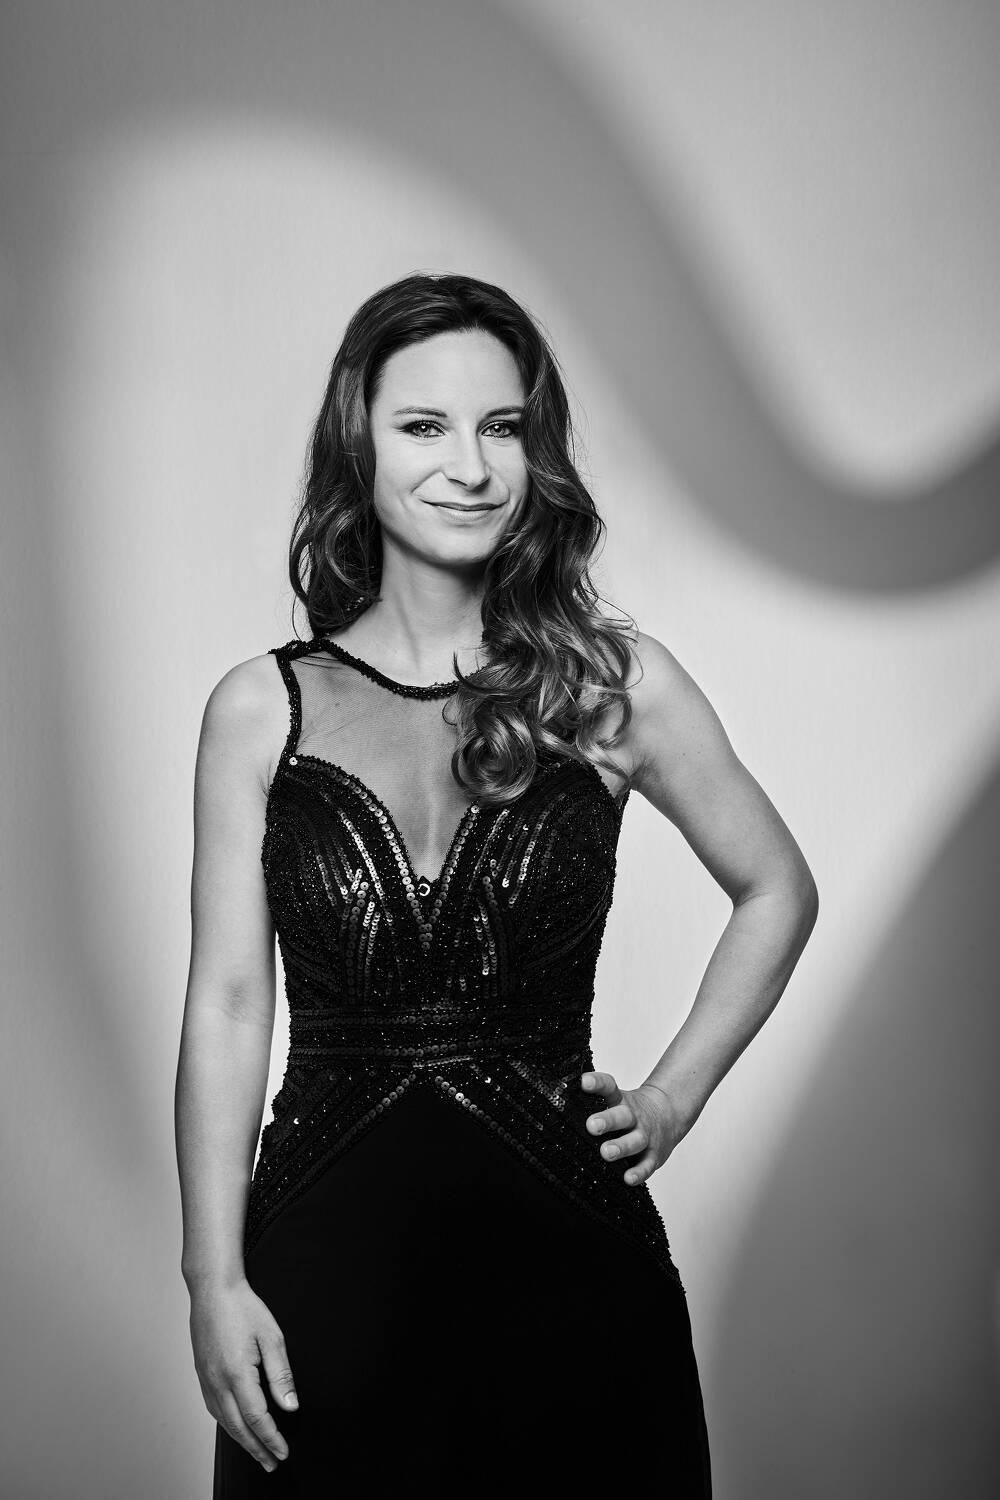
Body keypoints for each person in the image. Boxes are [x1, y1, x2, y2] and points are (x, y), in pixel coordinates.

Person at [175, 271, 818, 1496]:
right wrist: (212, 1278)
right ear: (359, 443)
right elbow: (228, 1005)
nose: (470, 467)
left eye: (502, 427)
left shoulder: (608, 686)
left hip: (574, 1282)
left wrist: (671, 1100)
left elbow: (776, 888)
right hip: (323, 1284)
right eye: (425, 426)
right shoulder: (260, 709)